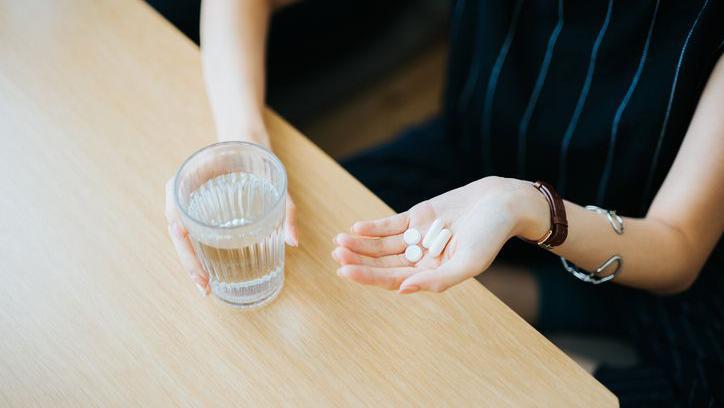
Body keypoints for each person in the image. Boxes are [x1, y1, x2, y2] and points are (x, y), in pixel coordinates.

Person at [164, 0, 724, 405]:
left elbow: (677, 247)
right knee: (318, 240)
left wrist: (527, 207)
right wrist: (244, 143)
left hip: (632, 237)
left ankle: (550, 297)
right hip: (471, 163)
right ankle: (538, 295)